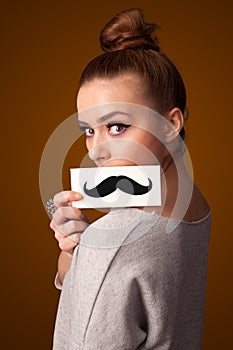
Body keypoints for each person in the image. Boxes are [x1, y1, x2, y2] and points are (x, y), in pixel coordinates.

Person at [49, 8, 211, 349]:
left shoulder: (114, 238)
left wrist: (95, 247)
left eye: (117, 126)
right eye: (89, 130)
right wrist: (72, 252)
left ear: (171, 124)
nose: (96, 151)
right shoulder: (195, 205)